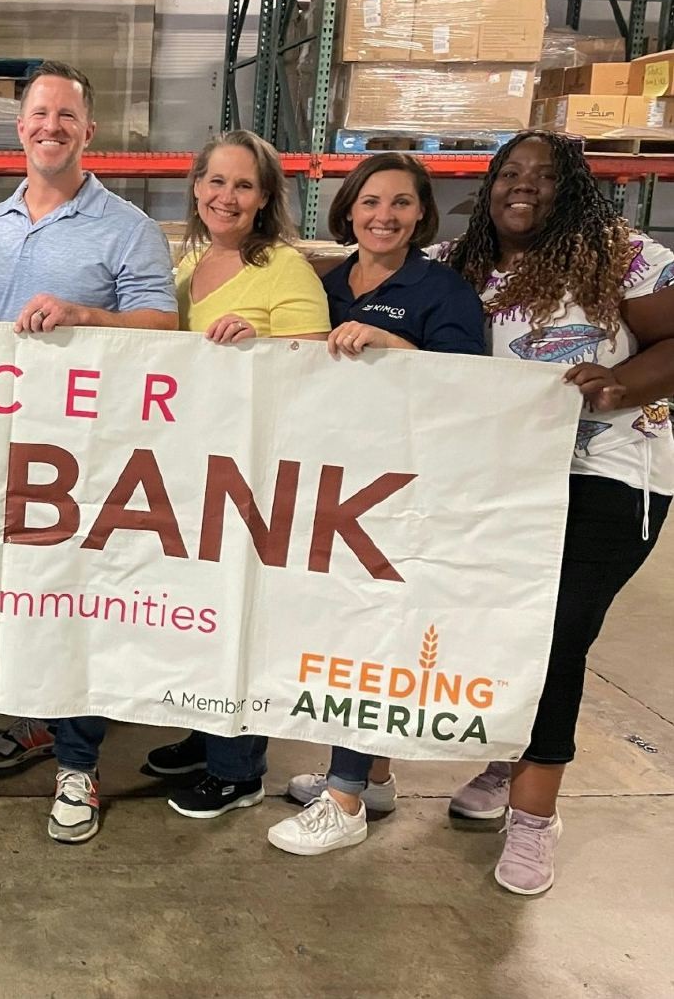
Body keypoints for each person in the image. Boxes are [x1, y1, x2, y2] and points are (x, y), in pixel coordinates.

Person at [434, 130, 672, 895]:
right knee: (507, 626)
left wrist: (622, 384)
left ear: (573, 186)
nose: (522, 185)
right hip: (511, 476)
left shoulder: (619, 254)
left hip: (613, 469)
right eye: (510, 171)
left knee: (561, 630)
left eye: (543, 174)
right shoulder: (463, 264)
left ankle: (536, 818)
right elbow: (361, 268)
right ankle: (510, 757)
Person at [0, 61, 180, 844]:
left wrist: (86, 313)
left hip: (92, 457)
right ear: (20, 129)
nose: (51, 126)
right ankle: (37, 719)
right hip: (4, 453)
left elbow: (166, 331)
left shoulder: (128, 227)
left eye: (67, 116)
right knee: (23, 597)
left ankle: (79, 765)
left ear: (89, 132)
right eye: (38, 114)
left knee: (79, 604)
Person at [263, 152, 487, 856]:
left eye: (399, 203)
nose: (383, 216)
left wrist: (395, 345)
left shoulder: (442, 291)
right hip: (329, 484)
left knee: (371, 629)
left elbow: (472, 389)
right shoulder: (325, 284)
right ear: (348, 211)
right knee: (337, 626)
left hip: (401, 489)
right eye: (369, 202)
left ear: (422, 212)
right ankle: (372, 774)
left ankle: (346, 796)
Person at [145, 130, 332, 820]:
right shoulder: (188, 267)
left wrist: (262, 345)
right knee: (203, 617)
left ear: (265, 198)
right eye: (216, 181)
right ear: (196, 188)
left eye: (243, 185)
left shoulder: (284, 267)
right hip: (196, 470)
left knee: (243, 614)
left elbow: (316, 363)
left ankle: (238, 769)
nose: (227, 196)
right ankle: (206, 733)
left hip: (255, 474)